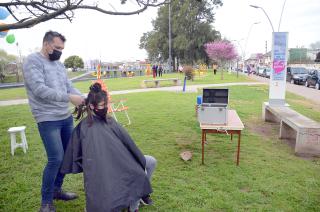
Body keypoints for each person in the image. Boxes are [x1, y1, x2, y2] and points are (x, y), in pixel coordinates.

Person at [61, 82, 157, 212]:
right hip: (105, 169)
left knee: (150, 162)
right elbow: (88, 158)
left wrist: (130, 158)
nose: (106, 108)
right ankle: (132, 204)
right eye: (102, 105)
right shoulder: (85, 129)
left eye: (107, 104)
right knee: (137, 175)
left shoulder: (109, 120)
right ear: (91, 106)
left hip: (122, 162)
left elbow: (127, 143)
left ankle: (134, 202)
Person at [22, 31, 84, 212]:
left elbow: (68, 86)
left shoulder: (59, 64)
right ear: (46, 44)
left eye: (62, 49)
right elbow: (40, 89)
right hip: (46, 118)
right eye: (57, 48)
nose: (59, 52)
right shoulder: (32, 61)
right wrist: (68, 98)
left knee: (65, 157)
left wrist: (82, 97)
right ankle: (46, 202)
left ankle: (57, 190)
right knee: (55, 158)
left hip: (64, 117)